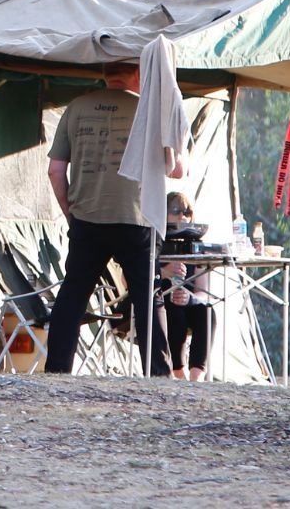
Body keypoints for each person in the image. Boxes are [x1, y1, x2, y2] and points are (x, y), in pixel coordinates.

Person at [42, 60, 183, 376]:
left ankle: (56, 373)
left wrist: (71, 214)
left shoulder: (76, 107)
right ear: (138, 74)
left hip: (88, 217)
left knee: (73, 295)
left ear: (104, 73)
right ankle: (159, 375)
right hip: (137, 217)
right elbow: (176, 169)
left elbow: (54, 170)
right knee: (148, 298)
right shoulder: (150, 113)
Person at [162, 191, 213, 381]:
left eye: (187, 212)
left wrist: (191, 298)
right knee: (172, 311)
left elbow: (204, 291)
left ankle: (197, 376)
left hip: (188, 302)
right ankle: (177, 371)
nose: (182, 216)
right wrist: (164, 272)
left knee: (207, 312)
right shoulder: (154, 241)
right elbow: (130, 280)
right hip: (160, 302)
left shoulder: (196, 246)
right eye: (176, 211)